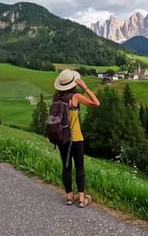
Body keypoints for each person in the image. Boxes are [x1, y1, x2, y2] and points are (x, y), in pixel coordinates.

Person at [53, 69, 100, 208]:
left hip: (62, 138)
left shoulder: (56, 98)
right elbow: (96, 103)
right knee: (79, 167)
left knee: (66, 166)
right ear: (73, 83)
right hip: (76, 138)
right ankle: (81, 199)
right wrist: (85, 87)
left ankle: (69, 197)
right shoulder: (76, 97)